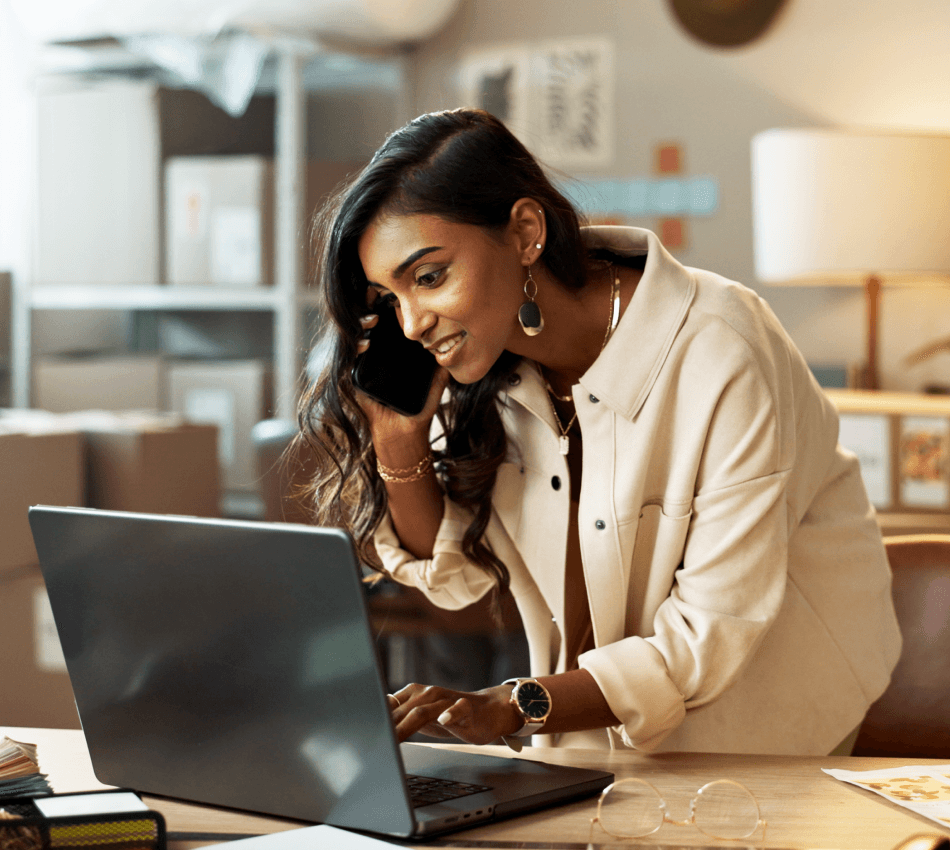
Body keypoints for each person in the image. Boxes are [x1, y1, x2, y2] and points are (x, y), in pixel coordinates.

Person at [296, 107, 902, 755]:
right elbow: (455, 579)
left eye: (429, 276)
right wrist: (397, 439)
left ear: (526, 232)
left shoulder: (721, 347)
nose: (412, 323)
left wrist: (514, 705)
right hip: (584, 738)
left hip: (765, 739)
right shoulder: (485, 368)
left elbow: (709, 633)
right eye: (389, 299)